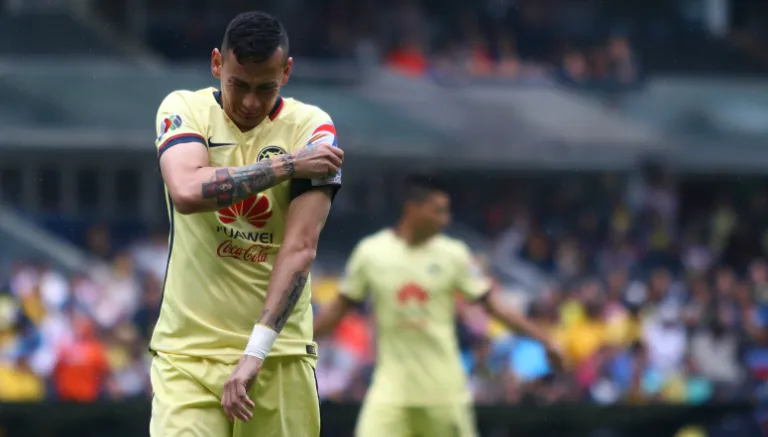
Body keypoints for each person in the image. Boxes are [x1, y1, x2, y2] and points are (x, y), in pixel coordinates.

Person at [150, 11, 344, 437]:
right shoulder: (184, 108)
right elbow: (186, 191)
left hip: (279, 355)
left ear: (286, 73)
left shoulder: (313, 128)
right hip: (188, 356)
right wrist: (290, 164)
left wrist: (255, 352)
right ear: (217, 64)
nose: (252, 103)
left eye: (265, 87)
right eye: (239, 85)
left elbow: (301, 248)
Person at [314, 174, 565, 437]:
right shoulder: (371, 253)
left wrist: (545, 339)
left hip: (443, 392)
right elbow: (337, 311)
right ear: (412, 209)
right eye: (437, 211)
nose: (444, 219)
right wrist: (295, 342)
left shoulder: (454, 255)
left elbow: (496, 307)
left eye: (446, 212)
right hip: (390, 391)